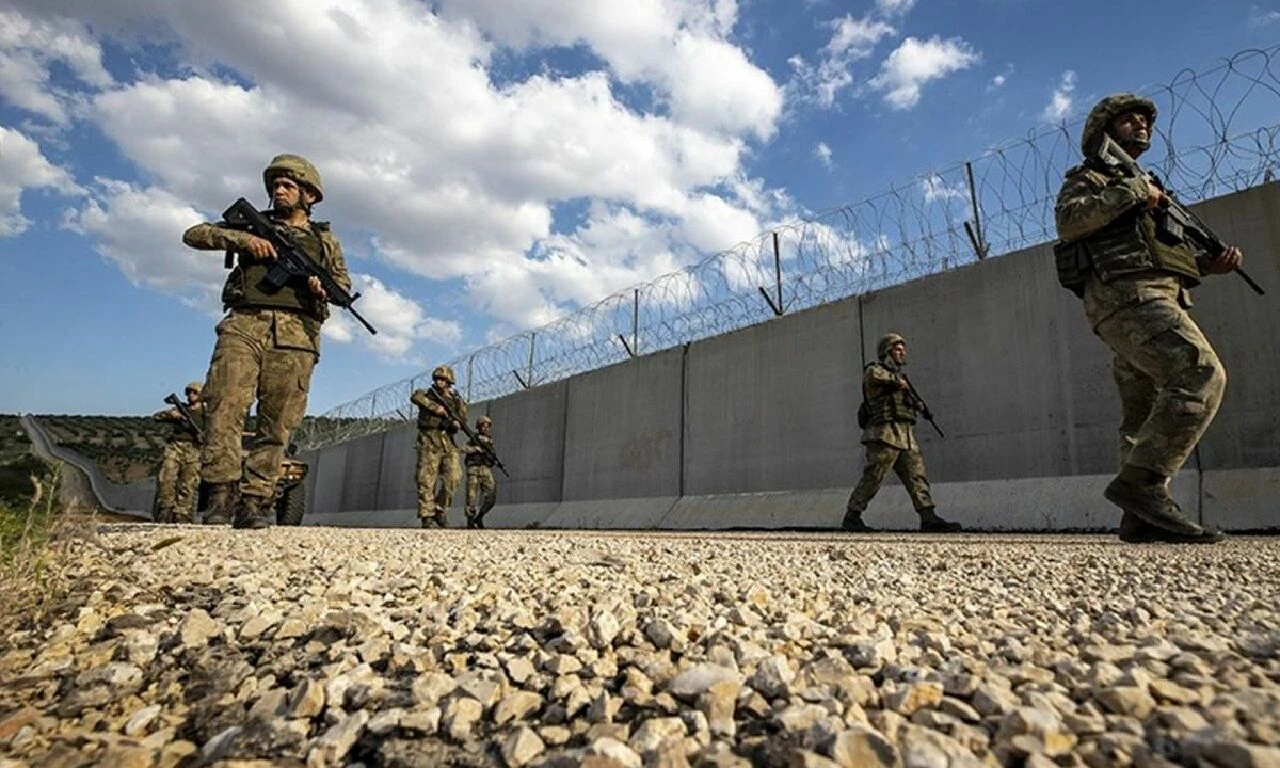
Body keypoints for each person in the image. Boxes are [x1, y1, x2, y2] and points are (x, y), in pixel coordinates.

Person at [1054, 94, 1242, 544]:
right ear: (1105, 130)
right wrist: (1137, 191)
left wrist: (1205, 265)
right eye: (1130, 119)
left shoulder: (1148, 185)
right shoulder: (1092, 177)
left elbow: (1156, 255)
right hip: (1126, 297)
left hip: (1154, 295)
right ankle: (1142, 484)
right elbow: (1070, 221)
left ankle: (1141, 517)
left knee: (1140, 412)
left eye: (1146, 121)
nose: (1142, 124)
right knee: (1200, 372)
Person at [182, 154, 350, 528]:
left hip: (296, 334)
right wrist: (244, 240)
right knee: (224, 404)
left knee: (278, 422)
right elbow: (194, 234)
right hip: (244, 323)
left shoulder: (325, 242)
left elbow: (342, 286)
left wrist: (321, 289)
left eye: (288, 185)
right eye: (275, 185)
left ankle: (256, 501)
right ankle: (221, 496)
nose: (279, 190)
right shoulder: (254, 226)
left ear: (309, 194)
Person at [842, 333, 963, 533]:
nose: (903, 353)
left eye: (903, 349)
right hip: (884, 435)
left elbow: (902, 398)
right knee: (875, 476)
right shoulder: (875, 371)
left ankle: (928, 516)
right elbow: (876, 377)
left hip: (905, 435)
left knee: (917, 476)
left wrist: (916, 405)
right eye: (898, 349)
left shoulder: (900, 378)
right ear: (887, 352)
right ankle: (852, 516)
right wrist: (899, 383)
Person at [410, 365, 467, 528]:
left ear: (449, 381)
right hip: (429, 438)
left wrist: (456, 423)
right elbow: (415, 397)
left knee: (454, 476)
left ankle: (439, 509)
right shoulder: (427, 394)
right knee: (426, 479)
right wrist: (436, 408)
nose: (439, 382)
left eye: (442, 379)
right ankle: (427, 515)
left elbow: (462, 418)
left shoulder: (456, 399)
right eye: (437, 379)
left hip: (447, 440)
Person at [152, 381, 205, 523]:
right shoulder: (181, 409)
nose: (191, 395)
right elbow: (156, 417)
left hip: (194, 449)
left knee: (188, 484)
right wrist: (171, 414)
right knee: (166, 479)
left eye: (195, 392)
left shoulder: (207, 413)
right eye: (189, 392)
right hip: (175, 447)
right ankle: (165, 511)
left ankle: (183, 516)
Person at [463, 415, 498, 529]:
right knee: (471, 497)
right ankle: (470, 520)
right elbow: (463, 448)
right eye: (483, 426)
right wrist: (475, 449)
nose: (486, 428)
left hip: (485, 470)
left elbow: (491, 455)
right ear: (479, 427)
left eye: (487, 426)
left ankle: (480, 516)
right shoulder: (474, 438)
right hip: (473, 469)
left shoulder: (489, 441)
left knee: (491, 495)